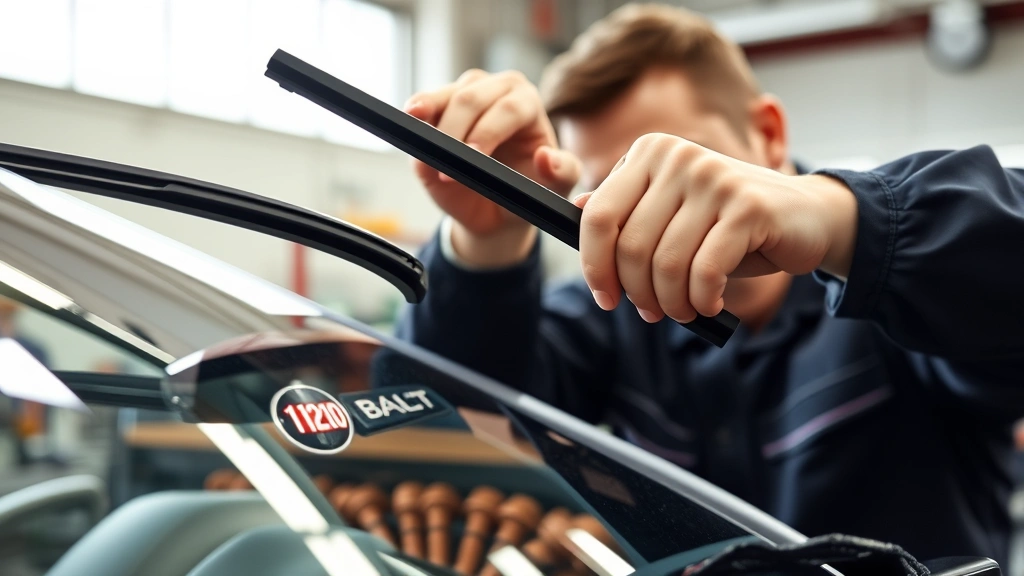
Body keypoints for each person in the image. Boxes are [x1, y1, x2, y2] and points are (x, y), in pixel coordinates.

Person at [396, 3, 1024, 566]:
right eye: (607, 189)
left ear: (770, 133)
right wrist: (491, 244)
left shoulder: (906, 298)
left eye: (681, 162)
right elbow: (439, 438)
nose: (645, 210)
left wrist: (842, 220)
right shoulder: (611, 315)